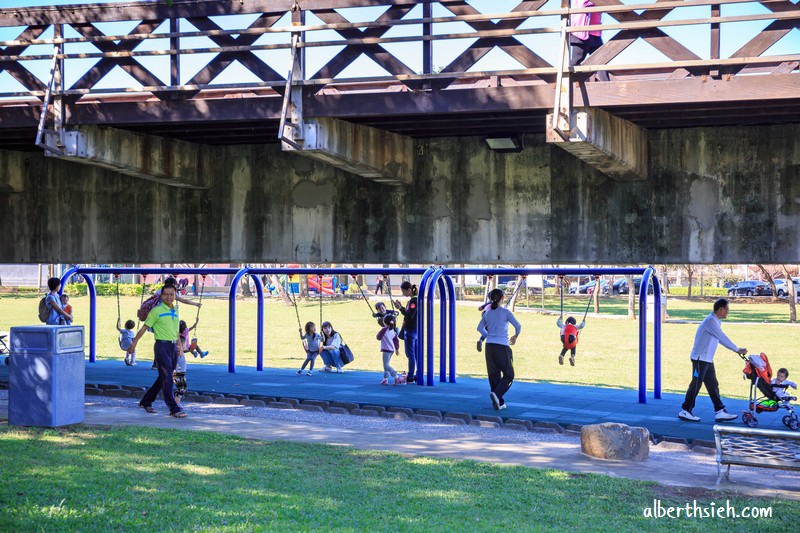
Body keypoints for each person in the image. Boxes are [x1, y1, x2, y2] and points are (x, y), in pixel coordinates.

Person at [678, 298, 746, 422]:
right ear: (720, 309)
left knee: (713, 384)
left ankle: (719, 410)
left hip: (706, 360)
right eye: (727, 309)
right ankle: (685, 410)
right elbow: (722, 337)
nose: (728, 312)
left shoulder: (715, 322)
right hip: (700, 359)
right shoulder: (710, 321)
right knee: (696, 384)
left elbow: (718, 338)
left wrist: (736, 349)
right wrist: (737, 349)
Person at [127, 283, 186, 418]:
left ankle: (146, 401)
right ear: (161, 295)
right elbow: (143, 329)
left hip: (172, 347)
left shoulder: (175, 310)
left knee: (163, 378)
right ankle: (174, 408)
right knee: (168, 379)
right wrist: (133, 343)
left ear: (175, 296)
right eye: (166, 294)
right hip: (162, 347)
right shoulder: (156, 311)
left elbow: (176, 330)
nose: (169, 297)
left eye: (172, 294)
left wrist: (180, 346)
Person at [477, 288, 522, 411]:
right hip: (502, 346)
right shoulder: (506, 312)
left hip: (489, 347)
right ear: (502, 298)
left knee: (494, 375)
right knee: (509, 374)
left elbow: (480, 328)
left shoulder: (487, 313)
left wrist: (488, 336)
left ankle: (499, 403)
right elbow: (518, 326)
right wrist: (515, 336)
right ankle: (497, 395)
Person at [570, 0, 610, 82]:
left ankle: (607, 85)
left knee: (601, 61)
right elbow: (583, 4)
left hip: (595, 33)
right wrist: (601, 2)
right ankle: (571, 84)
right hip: (581, 32)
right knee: (576, 61)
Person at [394, 281, 419, 382]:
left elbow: (409, 316)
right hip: (415, 330)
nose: (402, 293)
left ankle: (411, 375)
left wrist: (400, 308)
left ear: (409, 290)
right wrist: (401, 307)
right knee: (415, 354)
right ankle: (418, 373)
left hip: (410, 330)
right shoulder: (414, 300)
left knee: (410, 354)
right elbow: (409, 313)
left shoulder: (413, 301)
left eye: (403, 291)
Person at [377, 315, 404, 386]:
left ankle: (396, 377)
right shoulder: (392, 330)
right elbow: (396, 341)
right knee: (386, 364)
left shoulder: (384, 329)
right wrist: (397, 349)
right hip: (391, 350)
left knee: (386, 365)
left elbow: (378, 337)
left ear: (385, 322)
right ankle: (385, 379)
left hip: (386, 349)